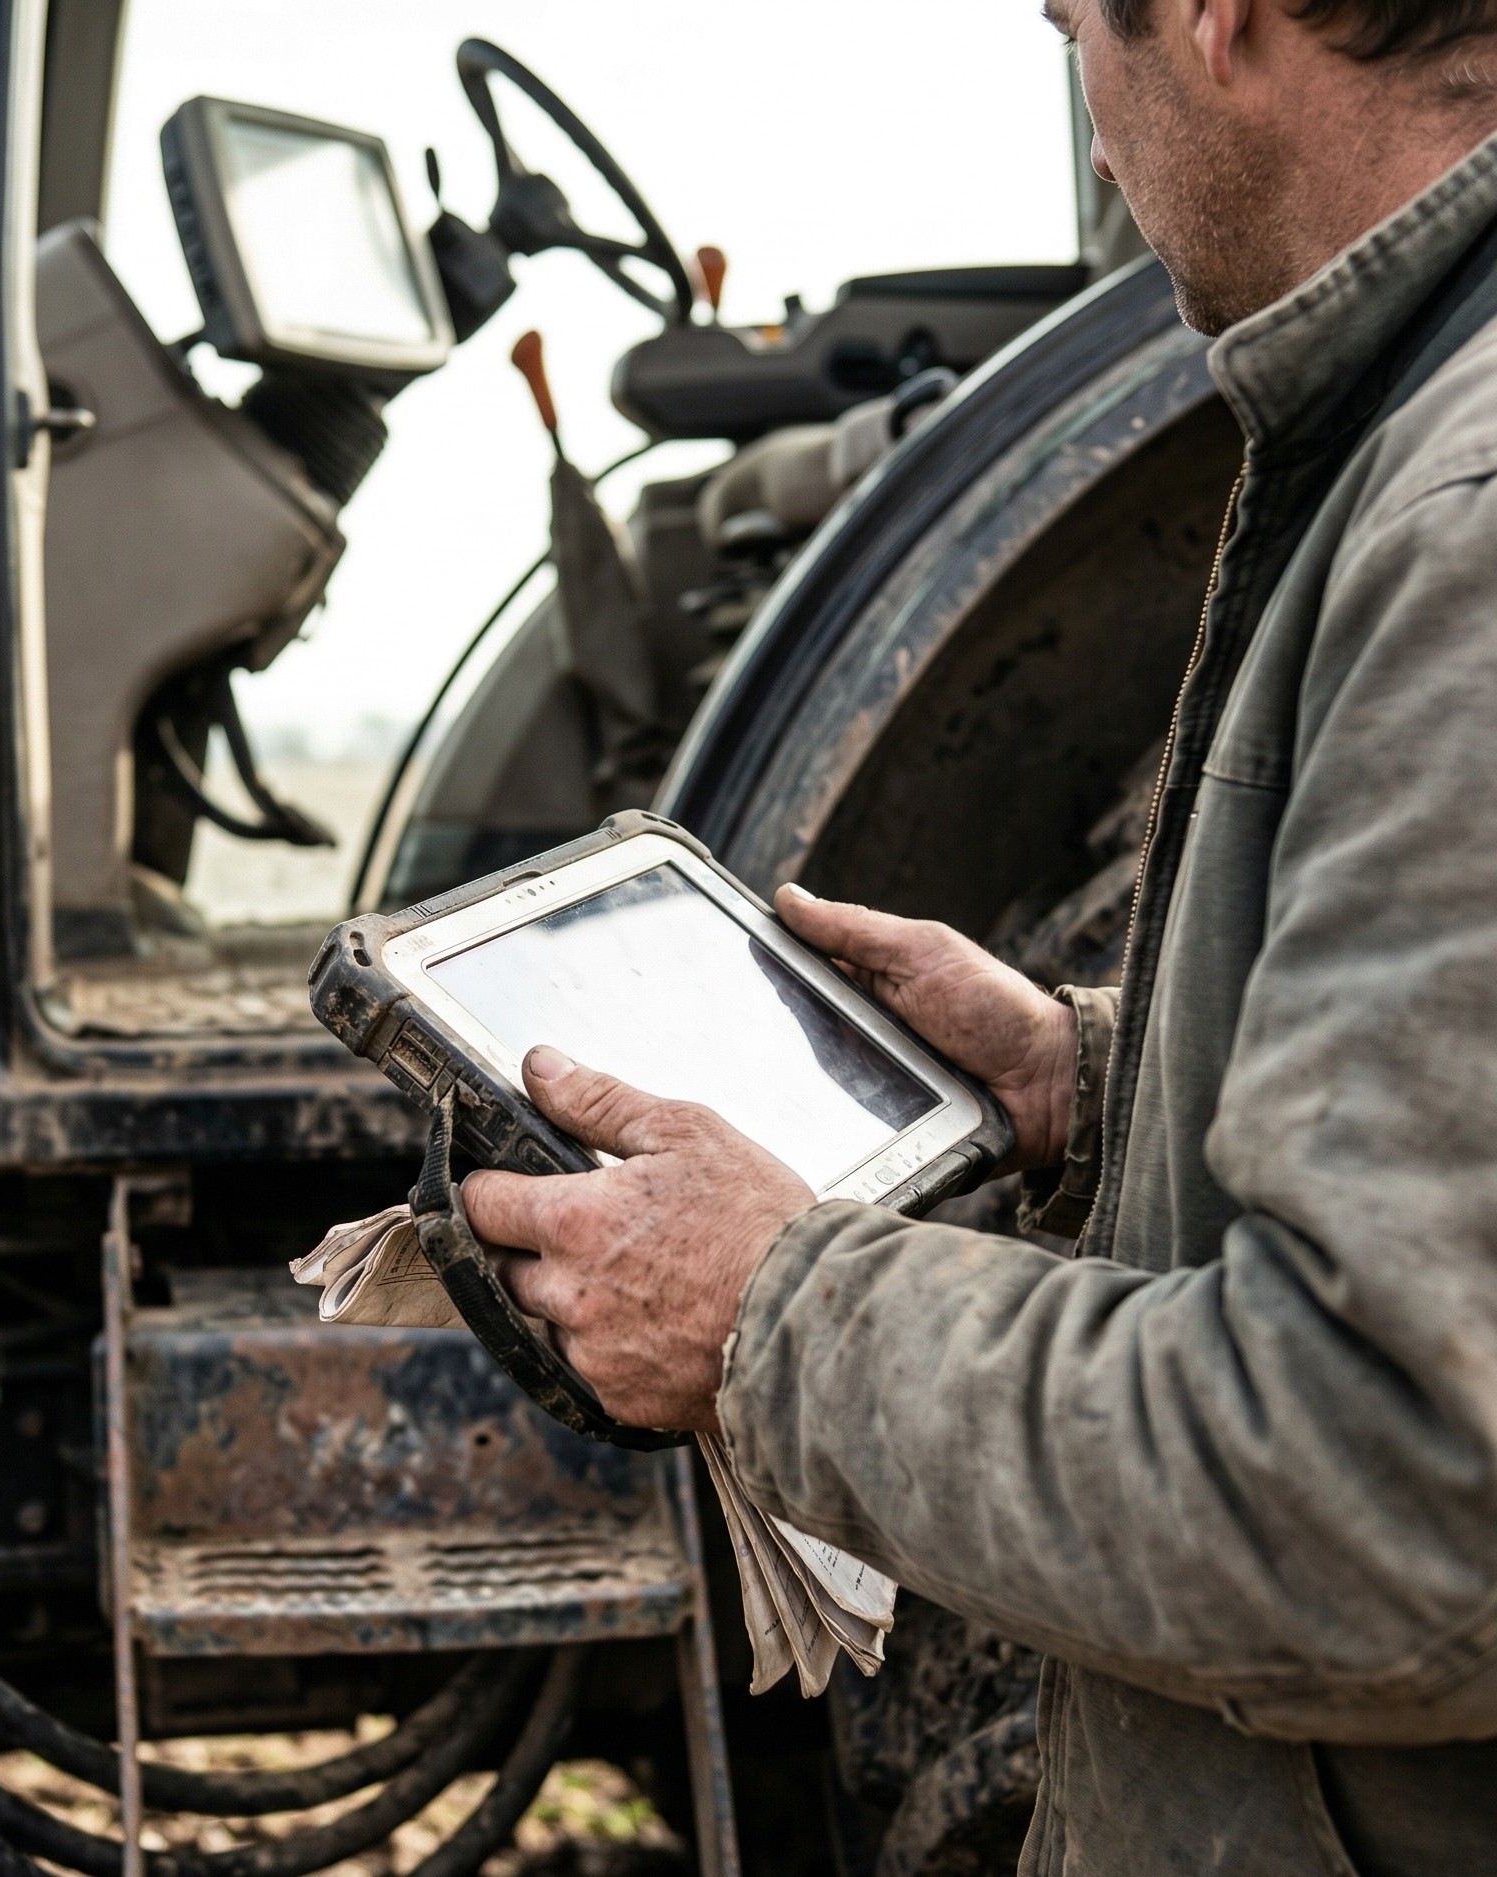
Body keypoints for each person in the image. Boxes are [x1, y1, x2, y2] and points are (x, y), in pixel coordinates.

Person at [460, 2, 1497, 1870]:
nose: (1087, 103)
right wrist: (1092, 1078)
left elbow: (1390, 1487)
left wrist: (773, 1311)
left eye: (1065, 21)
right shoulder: (1426, 427)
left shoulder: (1466, 523)